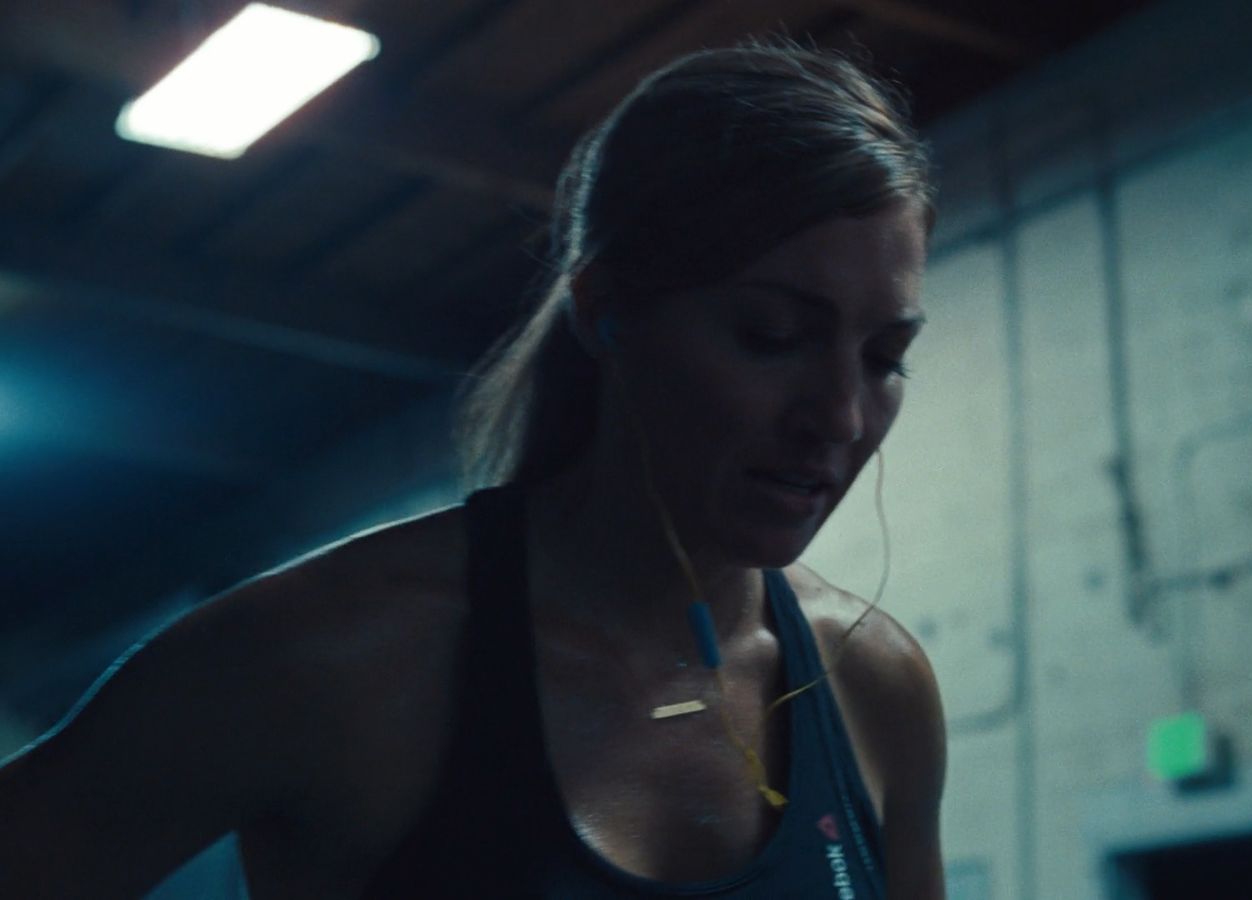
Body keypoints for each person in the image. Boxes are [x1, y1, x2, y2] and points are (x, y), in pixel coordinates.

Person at [0, 39, 947, 899]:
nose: (841, 416)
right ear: (606, 308)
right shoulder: (331, 659)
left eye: (884, 357)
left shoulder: (876, 686)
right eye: (771, 336)